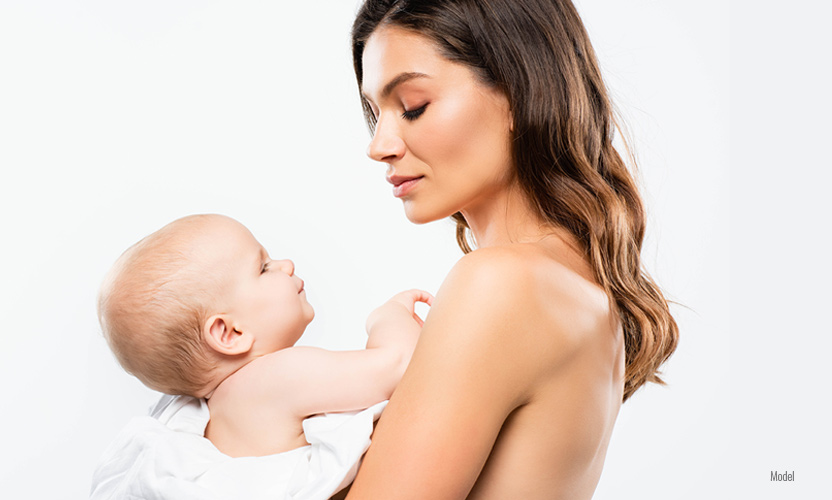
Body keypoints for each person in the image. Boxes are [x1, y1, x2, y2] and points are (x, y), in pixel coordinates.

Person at [344, 1, 679, 498]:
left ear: (519, 93)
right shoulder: (577, 287)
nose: (379, 144)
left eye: (412, 105)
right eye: (375, 113)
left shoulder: (503, 282)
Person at [90, 213, 431, 499]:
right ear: (230, 333)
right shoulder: (277, 377)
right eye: (264, 267)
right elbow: (400, 365)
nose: (286, 264)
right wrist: (387, 317)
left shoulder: (209, 413)